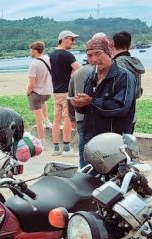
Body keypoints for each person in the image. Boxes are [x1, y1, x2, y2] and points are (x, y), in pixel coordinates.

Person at [70, 36, 136, 167]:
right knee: (92, 179)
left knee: (114, 181)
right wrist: (79, 105)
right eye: (89, 55)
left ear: (109, 52)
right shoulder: (90, 77)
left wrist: (91, 101)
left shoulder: (124, 76)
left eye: (98, 54)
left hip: (115, 142)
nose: (94, 59)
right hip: (93, 140)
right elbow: (87, 107)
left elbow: (121, 107)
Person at [50, 30, 82, 156]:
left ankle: (56, 148)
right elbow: (79, 70)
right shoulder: (68, 55)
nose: (73, 42)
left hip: (56, 91)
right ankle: (67, 148)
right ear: (64, 39)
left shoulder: (52, 55)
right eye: (71, 39)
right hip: (66, 91)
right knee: (67, 117)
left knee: (57, 119)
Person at [112, 31, 145, 133]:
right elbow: (137, 92)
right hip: (132, 112)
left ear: (112, 45)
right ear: (129, 45)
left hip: (117, 114)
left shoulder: (116, 64)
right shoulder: (135, 63)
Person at [26, 41, 53, 141]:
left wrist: (28, 92)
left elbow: (32, 84)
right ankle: (46, 120)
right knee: (43, 102)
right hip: (47, 92)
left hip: (37, 93)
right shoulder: (49, 59)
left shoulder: (34, 64)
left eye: (30, 50)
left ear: (35, 50)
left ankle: (42, 141)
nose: (30, 52)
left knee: (38, 120)